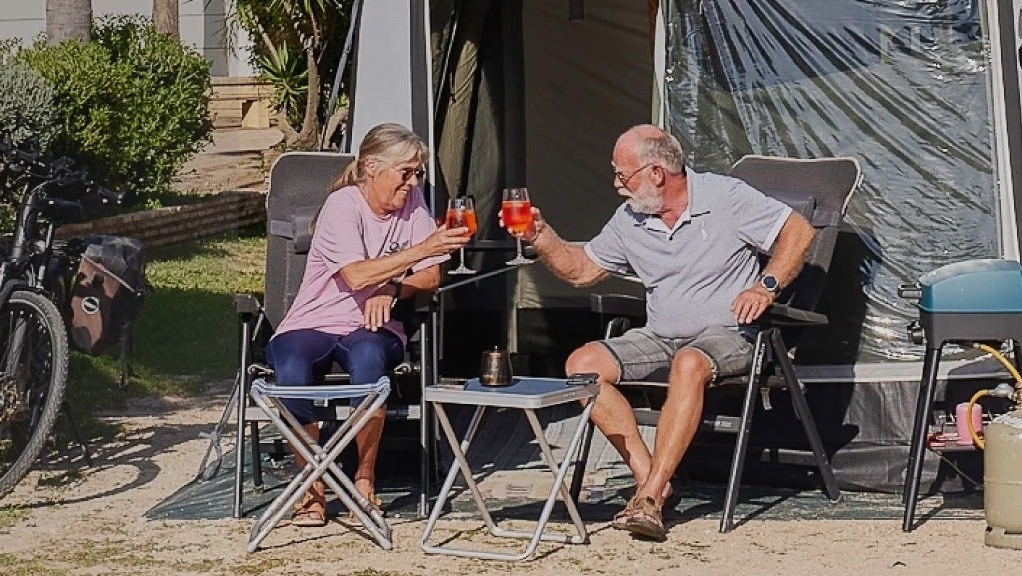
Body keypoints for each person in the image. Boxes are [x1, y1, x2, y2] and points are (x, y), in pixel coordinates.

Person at [523, 124, 812, 541]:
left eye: (623, 174)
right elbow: (583, 270)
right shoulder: (630, 219)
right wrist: (542, 238)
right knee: (581, 365)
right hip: (660, 334)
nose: (616, 184)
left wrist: (765, 285)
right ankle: (651, 481)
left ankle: (652, 496)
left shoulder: (724, 197)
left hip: (730, 334)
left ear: (656, 173)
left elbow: (798, 231)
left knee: (689, 361)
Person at [270, 123, 471, 527]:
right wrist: (422, 249)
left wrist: (394, 288)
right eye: (406, 172)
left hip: (372, 326)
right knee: (290, 365)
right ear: (372, 167)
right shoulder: (343, 205)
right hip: (314, 319)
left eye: (417, 173)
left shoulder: (413, 202)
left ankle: (364, 478)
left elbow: (431, 278)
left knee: (368, 359)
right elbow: (357, 276)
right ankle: (312, 484)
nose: (413, 181)